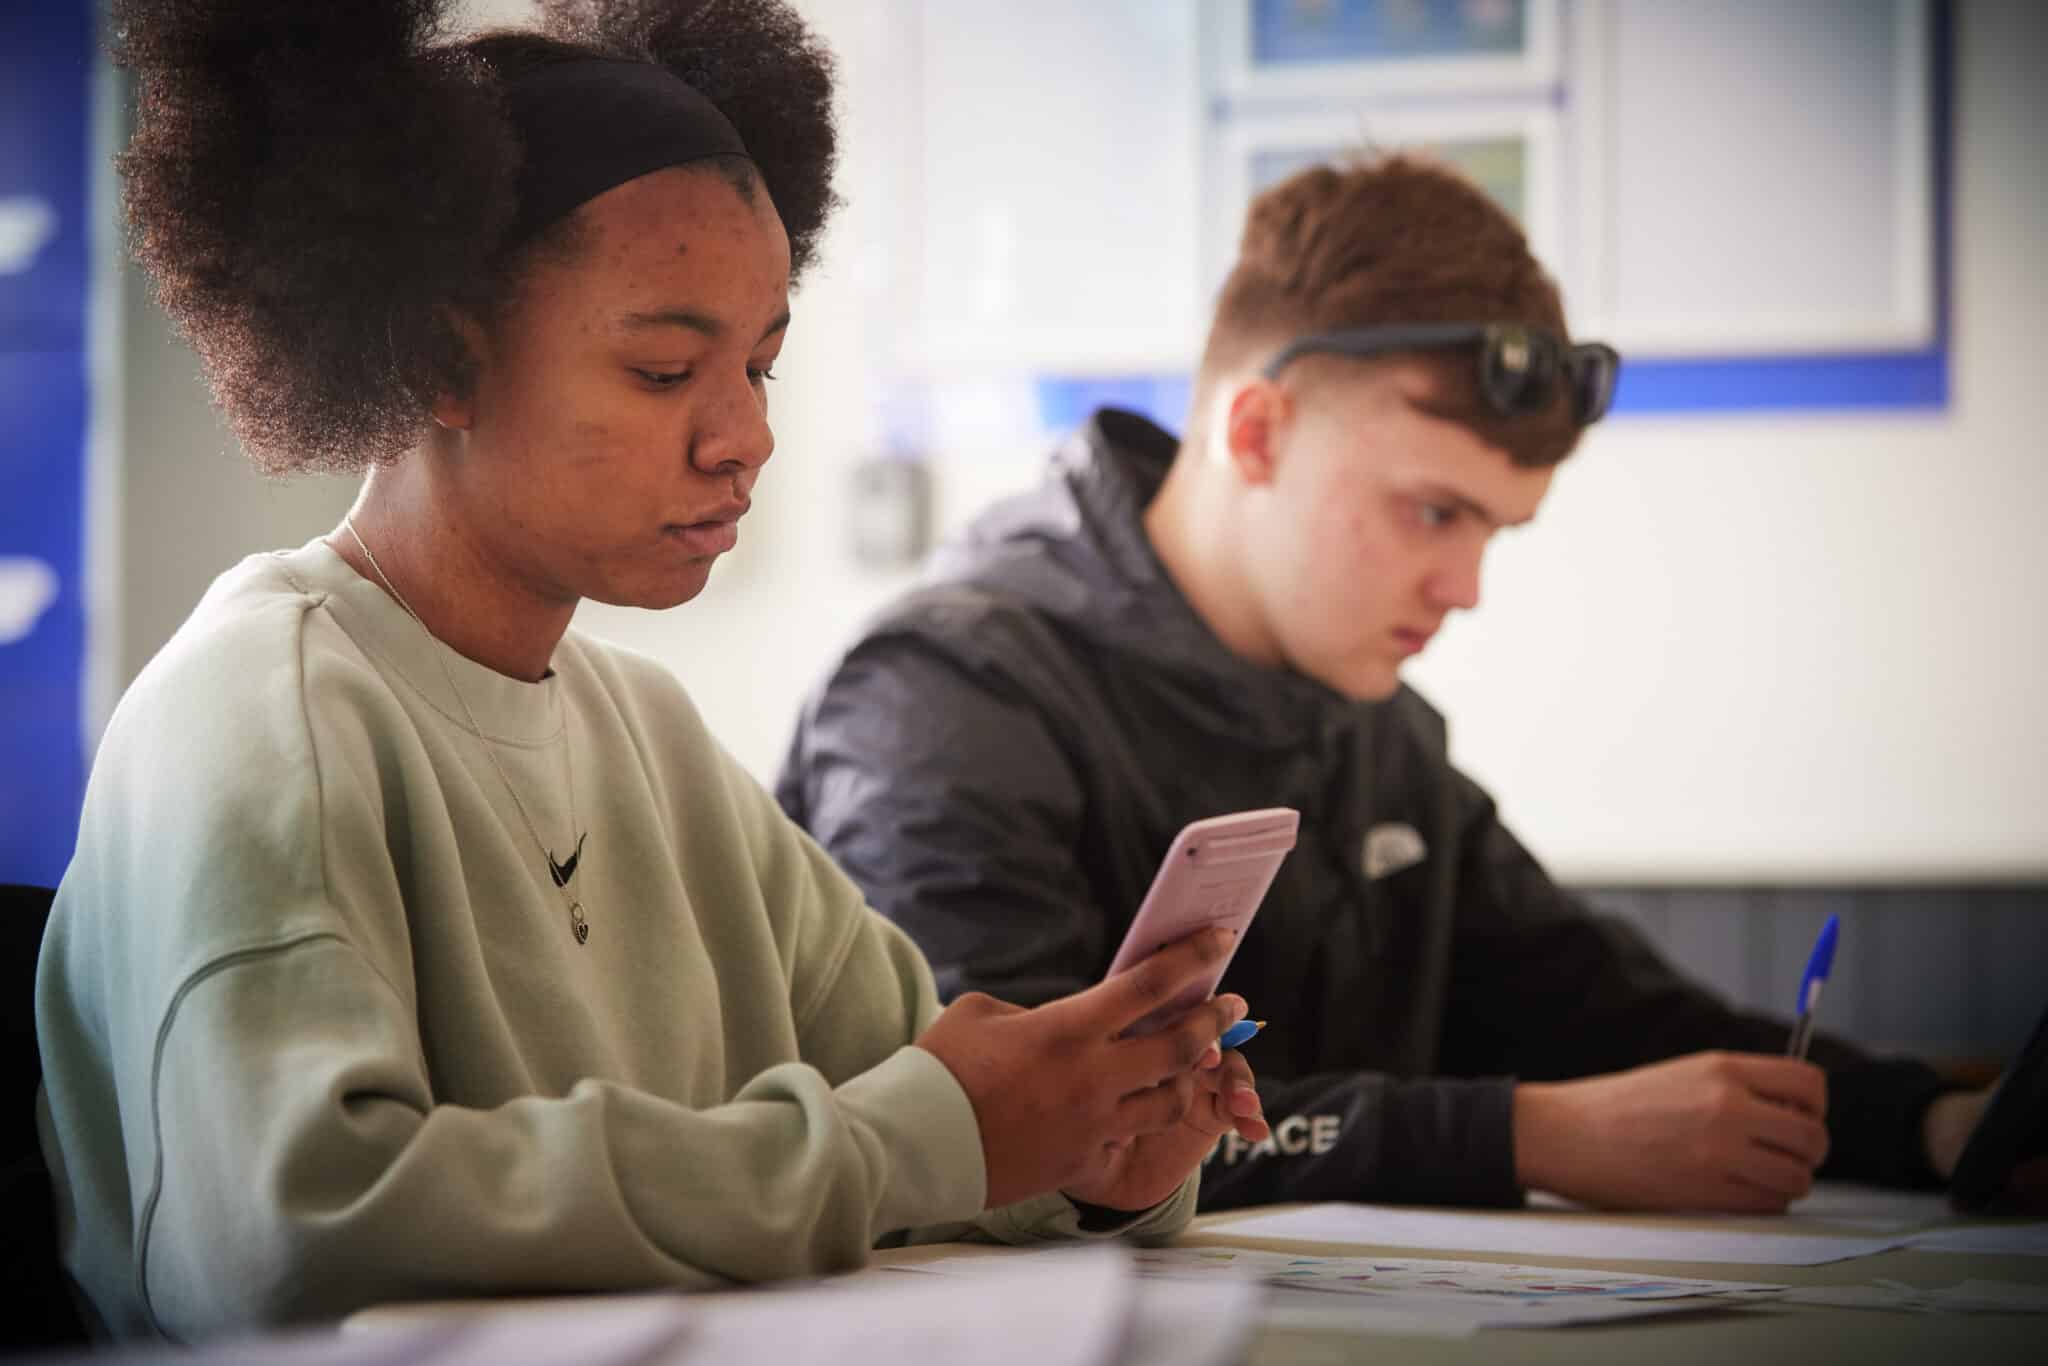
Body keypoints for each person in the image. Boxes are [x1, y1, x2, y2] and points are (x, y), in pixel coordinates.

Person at [35, 0, 1269, 1342]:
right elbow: (288, 1238)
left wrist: (1091, 1157)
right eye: (665, 367)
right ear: (437, 357)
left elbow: (925, 1115)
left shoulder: (653, 736)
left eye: (760, 363)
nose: (747, 434)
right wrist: (919, 1137)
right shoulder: (260, 704)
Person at [779, 153, 2003, 1217]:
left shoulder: (1371, 722)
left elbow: (1601, 1007)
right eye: (1431, 511)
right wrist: (1530, 1136)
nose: (1463, 584)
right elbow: (1003, 1142)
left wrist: (1933, 1130)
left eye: (1495, 531)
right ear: (1255, 432)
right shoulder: (941, 700)